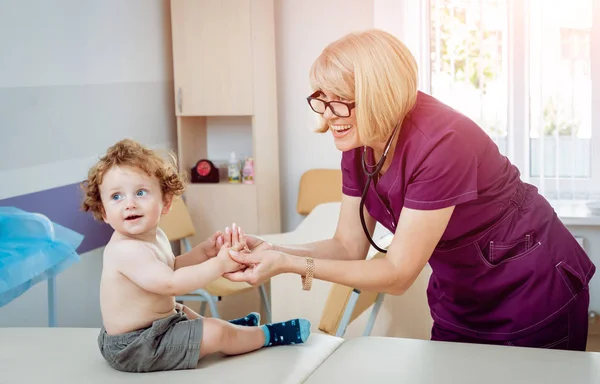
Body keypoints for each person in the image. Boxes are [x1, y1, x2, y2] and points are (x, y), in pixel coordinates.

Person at [224, 29, 596, 351]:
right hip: (461, 296)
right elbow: (348, 246)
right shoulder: (358, 145)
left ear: (377, 95)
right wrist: (274, 251)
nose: (325, 115)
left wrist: (290, 264)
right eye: (321, 97)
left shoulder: (443, 142)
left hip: (531, 287)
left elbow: (399, 274)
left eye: (338, 101)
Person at [81, 139, 310, 373]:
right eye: (117, 197)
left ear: (166, 202)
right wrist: (219, 264)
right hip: (135, 346)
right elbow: (170, 283)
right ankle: (266, 335)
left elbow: (172, 267)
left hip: (158, 326)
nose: (130, 204)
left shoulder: (155, 236)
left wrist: (203, 252)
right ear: (104, 212)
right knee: (215, 332)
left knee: (184, 313)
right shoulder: (125, 250)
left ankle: (235, 331)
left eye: (140, 193)